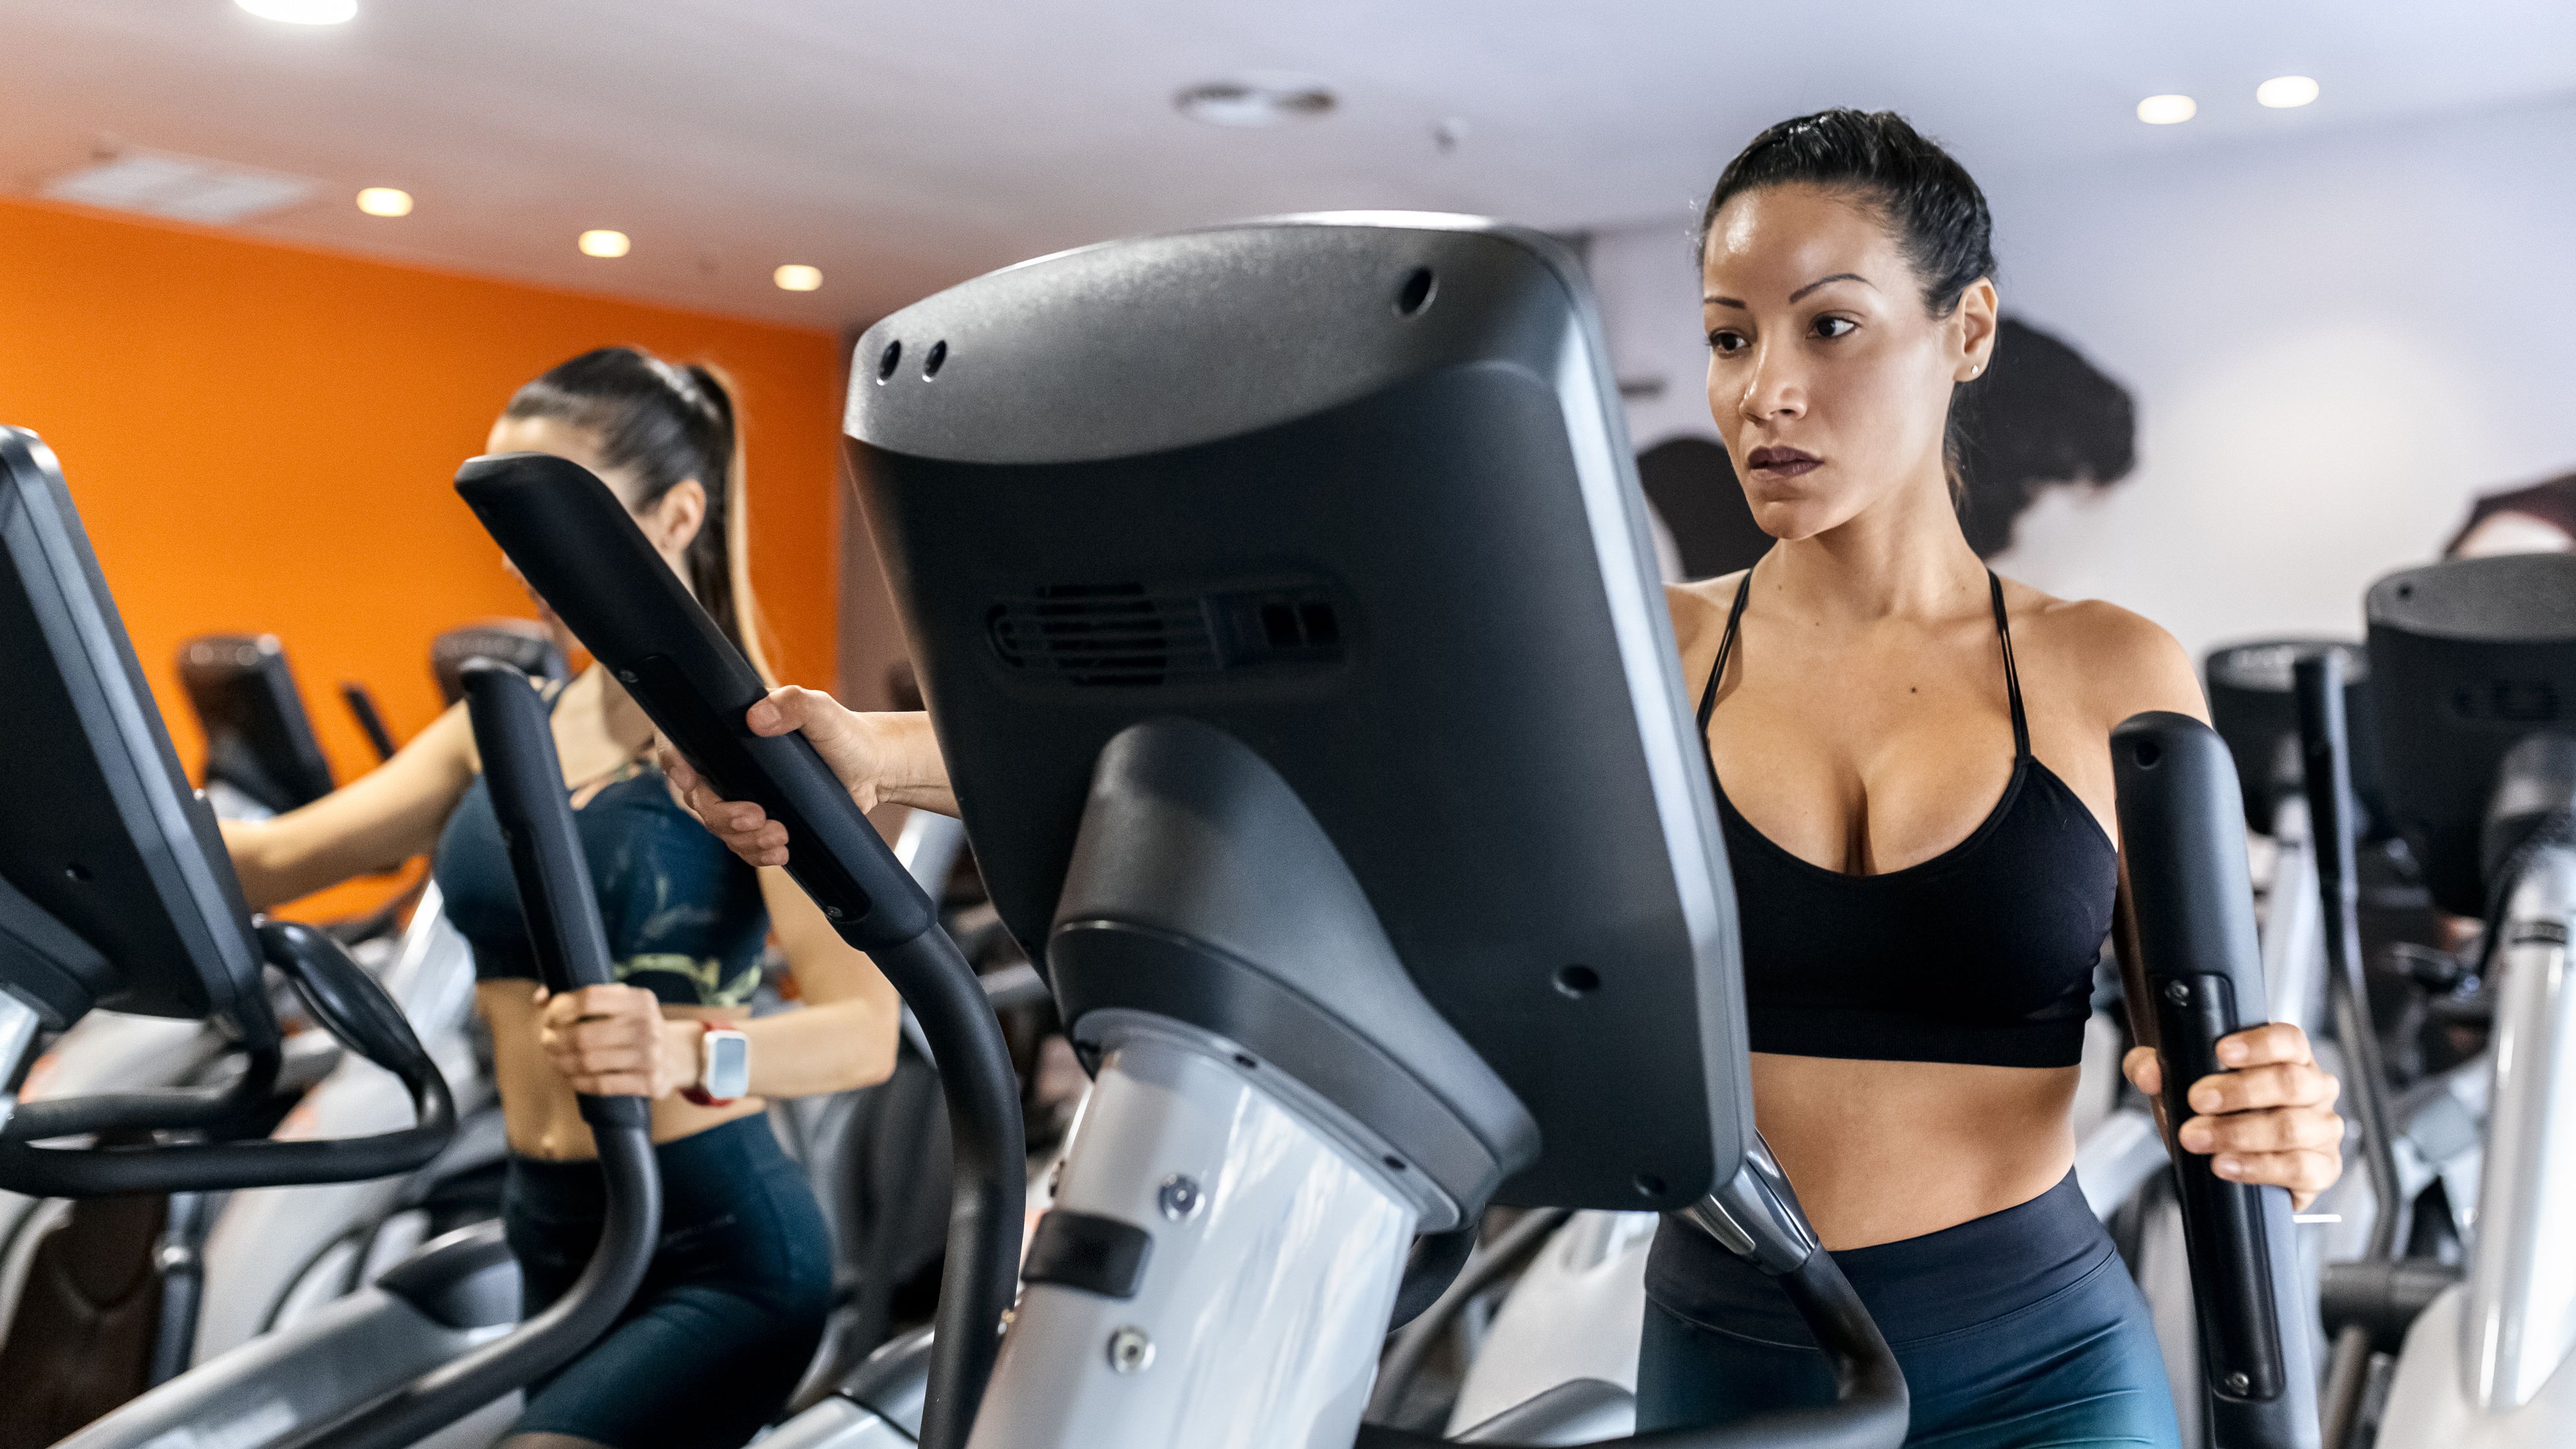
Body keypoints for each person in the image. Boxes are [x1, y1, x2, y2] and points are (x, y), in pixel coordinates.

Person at [667, 112, 2345, 1448]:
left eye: (1830, 327)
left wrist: (2284, 1103)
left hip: (2036, 1358)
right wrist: (879, 750)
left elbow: (2202, 1036)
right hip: (1743, 1342)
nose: (1766, 390)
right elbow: (1296, 752)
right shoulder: (1646, 646)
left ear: (1961, 330)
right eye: (1726, 333)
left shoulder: (2103, 666)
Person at [222, 346, 899, 1449]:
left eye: (542, 511)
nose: (513, 554)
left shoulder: (754, 750)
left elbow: (865, 1034)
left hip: (716, 1245)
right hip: (550, 1227)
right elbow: (272, 861)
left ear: (676, 514)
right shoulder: (505, 724)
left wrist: (687, 1053)